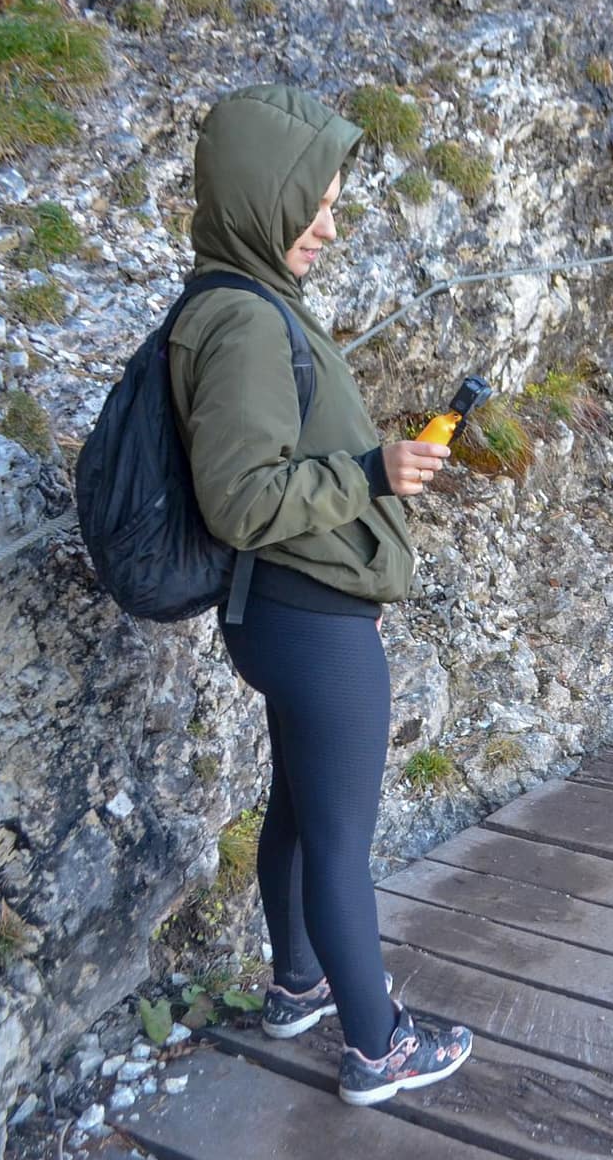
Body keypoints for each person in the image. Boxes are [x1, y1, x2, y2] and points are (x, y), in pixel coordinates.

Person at [168, 83, 473, 1106]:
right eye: (319, 204)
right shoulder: (246, 322)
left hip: (281, 611)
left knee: (296, 815)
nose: (330, 228)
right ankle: (377, 1047)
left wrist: (370, 466)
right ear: (265, 196)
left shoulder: (238, 296)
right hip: (309, 617)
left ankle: (296, 985)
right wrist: (374, 475)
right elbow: (242, 498)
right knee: (341, 842)